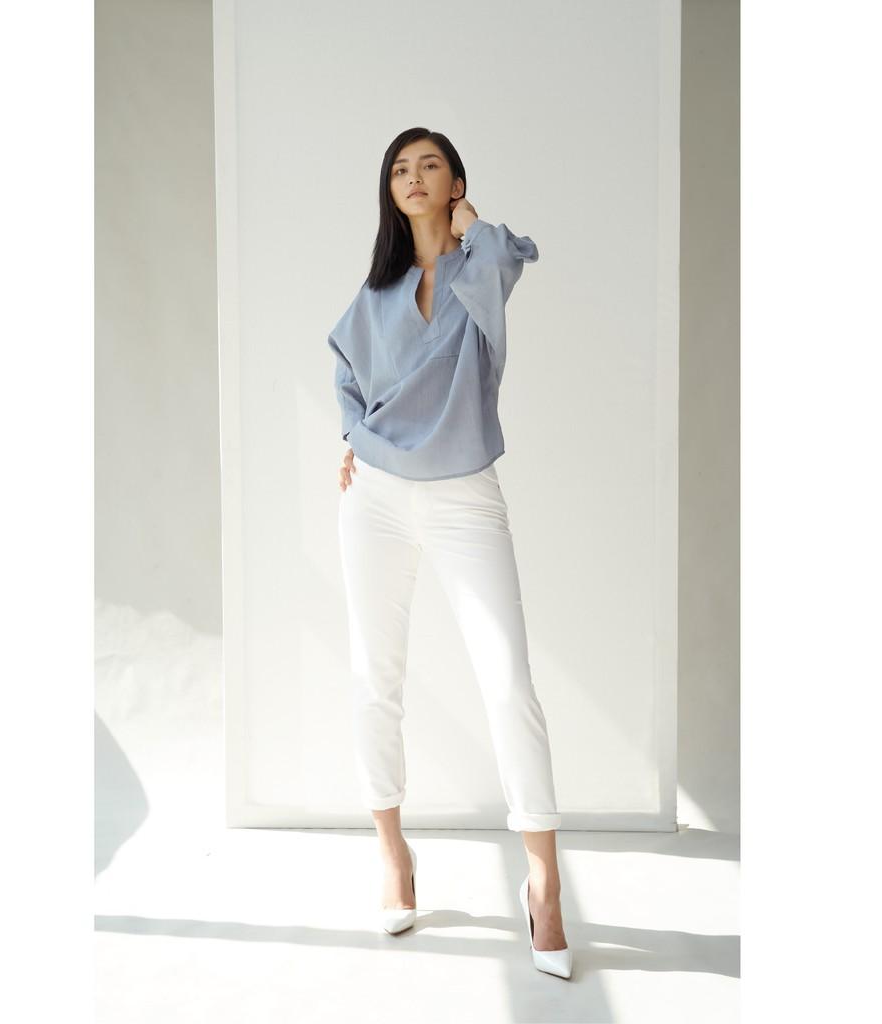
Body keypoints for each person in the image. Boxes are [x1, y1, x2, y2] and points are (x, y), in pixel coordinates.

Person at [327, 128, 571, 978]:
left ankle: (544, 883)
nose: (414, 177)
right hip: (377, 499)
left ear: (456, 181)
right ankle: (393, 852)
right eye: (400, 168)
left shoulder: (481, 269)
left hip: (466, 494)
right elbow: (346, 371)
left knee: (508, 682)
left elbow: (509, 252)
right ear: (389, 192)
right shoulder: (378, 292)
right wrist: (354, 437)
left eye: (430, 164)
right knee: (376, 676)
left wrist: (470, 222)